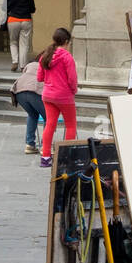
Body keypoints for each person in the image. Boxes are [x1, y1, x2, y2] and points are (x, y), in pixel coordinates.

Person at [37, 27, 78, 167]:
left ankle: (45, 157)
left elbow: (39, 77)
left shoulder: (45, 55)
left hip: (48, 95)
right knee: (71, 126)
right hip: (64, 96)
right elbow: (72, 78)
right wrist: (74, 90)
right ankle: (66, 158)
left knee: (50, 125)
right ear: (66, 41)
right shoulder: (67, 57)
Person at [11, 57, 45, 153]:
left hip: (19, 91)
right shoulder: (45, 65)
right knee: (49, 117)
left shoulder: (29, 65)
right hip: (34, 90)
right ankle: (44, 146)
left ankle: (30, 144)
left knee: (32, 115)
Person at [5, 0, 36, 72]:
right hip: (26, 20)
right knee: (24, 43)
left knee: (13, 42)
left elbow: (4, 7)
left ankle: (15, 61)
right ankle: (23, 65)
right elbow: (32, 9)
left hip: (13, 20)